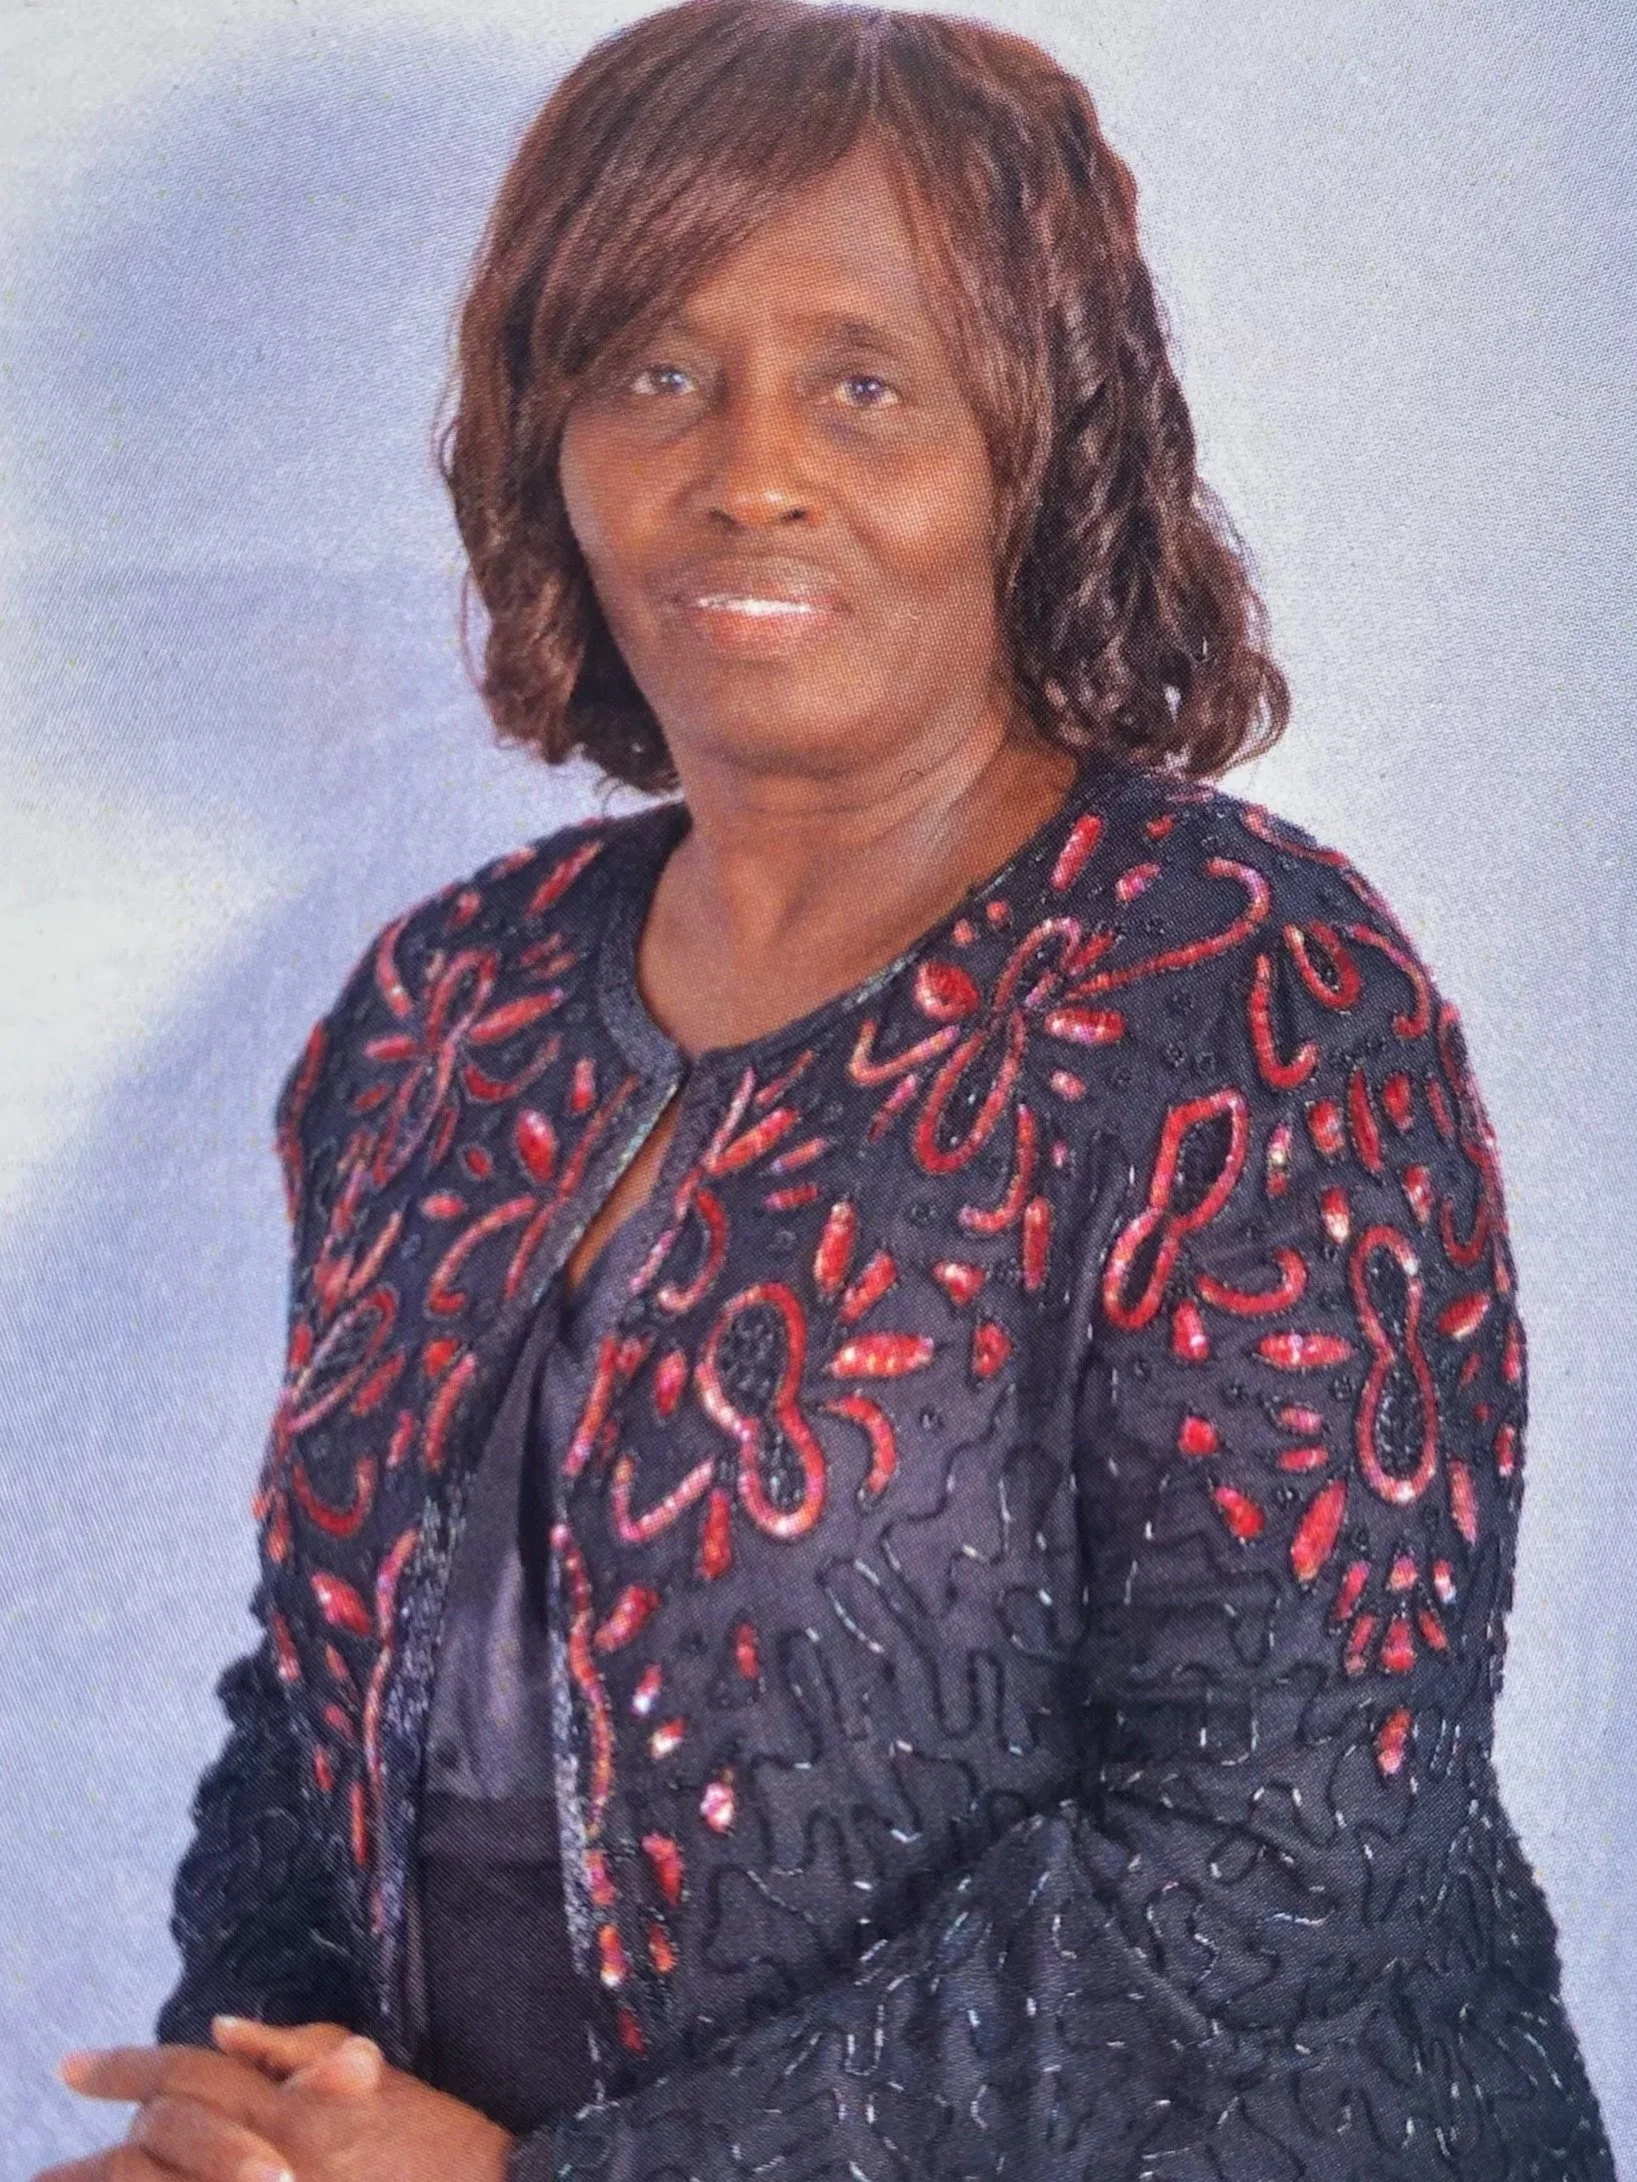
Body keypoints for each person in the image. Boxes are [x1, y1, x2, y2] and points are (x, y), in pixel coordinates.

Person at [40, 2, 1617, 2177]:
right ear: (545, 441)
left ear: (1032, 442)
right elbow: (321, 1694)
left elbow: (1281, 1845)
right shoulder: (443, 1011)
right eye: (652, 372)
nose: (748, 468)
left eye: (862, 383)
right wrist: (269, 2113)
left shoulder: (1244, 999)